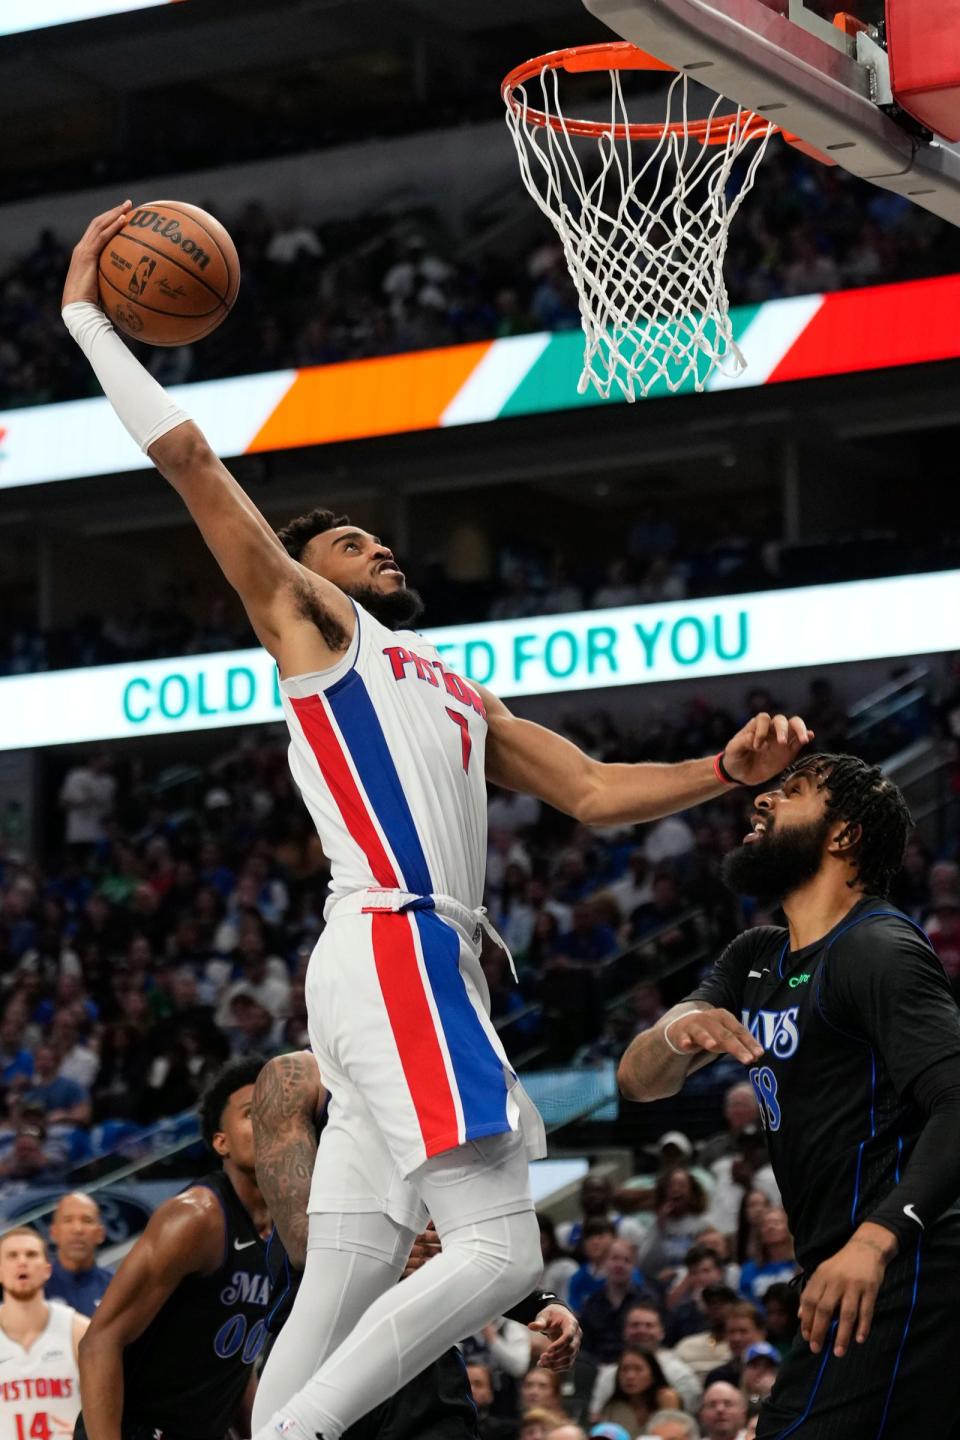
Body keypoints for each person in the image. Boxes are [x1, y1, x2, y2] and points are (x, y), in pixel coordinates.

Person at [62, 204, 810, 1440]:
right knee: (504, 1252)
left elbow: (591, 792)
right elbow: (196, 467)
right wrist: (93, 322)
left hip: (407, 962)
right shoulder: (317, 632)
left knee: (348, 1267)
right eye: (351, 540)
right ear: (313, 575)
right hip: (397, 942)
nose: (379, 542)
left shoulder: (453, 689)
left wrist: (721, 767)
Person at [617, 751, 960, 1437]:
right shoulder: (755, 956)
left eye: (793, 792)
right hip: (841, 1269)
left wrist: (874, 1241)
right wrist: (678, 1033)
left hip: (906, 1265)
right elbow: (636, 1079)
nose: (762, 803)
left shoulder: (878, 950)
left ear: (842, 836)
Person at [249, 1050, 582, 1440]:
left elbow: (480, 1237)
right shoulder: (300, 1078)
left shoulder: (447, 1071)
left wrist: (539, 1302)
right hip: (324, 1346)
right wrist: (393, 1252)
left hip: (423, 1351)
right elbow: (302, 1240)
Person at [75, 1058, 271, 1440]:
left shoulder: (283, 1229)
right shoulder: (197, 1218)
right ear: (221, 1142)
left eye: (275, 1111)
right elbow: (100, 1342)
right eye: (251, 1113)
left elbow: (233, 1362)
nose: (268, 1122)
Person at [0, 1227, 88, 1440]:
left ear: (47, 1269)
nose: (22, 1262)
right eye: (12, 1255)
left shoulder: (79, 1331)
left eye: (31, 1254)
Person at [589, 1303, 701, 1417]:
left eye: (649, 1325)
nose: (641, 1330)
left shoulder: (680, 1373)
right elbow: (597, 1415)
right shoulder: (608, 1375)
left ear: (661, 1332)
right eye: (635, 1325)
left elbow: (689, 1417)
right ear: (624, 1331)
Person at [579, 1241, 653, 1364]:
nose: (620, 1265)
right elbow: (585, 1345)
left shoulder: (647, 1300)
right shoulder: (592, 1303)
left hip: (637, 1364)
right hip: (597, 1366)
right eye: (615, 1259)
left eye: (626, 1260)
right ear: (605, 1263)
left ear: (634, 1266)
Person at [46, 1193, 112, 1316]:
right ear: (53, 1233)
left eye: (87, 1220)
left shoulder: (116, 1287)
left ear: (100, 1233)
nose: (77, 1229)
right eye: (68, 1220)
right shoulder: (35, 1286)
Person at [595, 1348, 680, 1438]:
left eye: (638, 1369)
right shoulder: (613, 1407)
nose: (630, 1376)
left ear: (653, 1374)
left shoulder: (666, 1398)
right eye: (624, 1369)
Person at [671, 1286, 737, 1383]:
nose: (715, 1307)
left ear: (736, 1307)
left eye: (722, 1302)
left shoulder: (742, 1345)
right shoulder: (686, 1345)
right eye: (710, 1303)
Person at [736, 1210, 798, 1304]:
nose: (770, 1227)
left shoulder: (801, 1265)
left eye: (776, 1223)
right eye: (765, 1224)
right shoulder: (749, 1269)